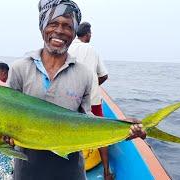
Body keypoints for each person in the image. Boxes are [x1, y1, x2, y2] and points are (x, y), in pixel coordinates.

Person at [7, 0, 146, 179]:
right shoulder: (19, 69)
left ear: (73, 33)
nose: (59, 30)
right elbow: (8, 120)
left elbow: (85, 119)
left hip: (70, 171)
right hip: (27, 171)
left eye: (67, 26)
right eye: (53, 23)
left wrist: (123, 129)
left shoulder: (85, 74)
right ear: (42, 27)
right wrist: (2, 139)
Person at [68, 22, 112, 179]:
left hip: (70, 100)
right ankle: (107, 172)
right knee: (102, 134)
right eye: (90, 33)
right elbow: (104, 75)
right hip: (92, 100)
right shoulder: (92, 50)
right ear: (87, 34)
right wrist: (93, 86)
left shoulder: (68, 48)